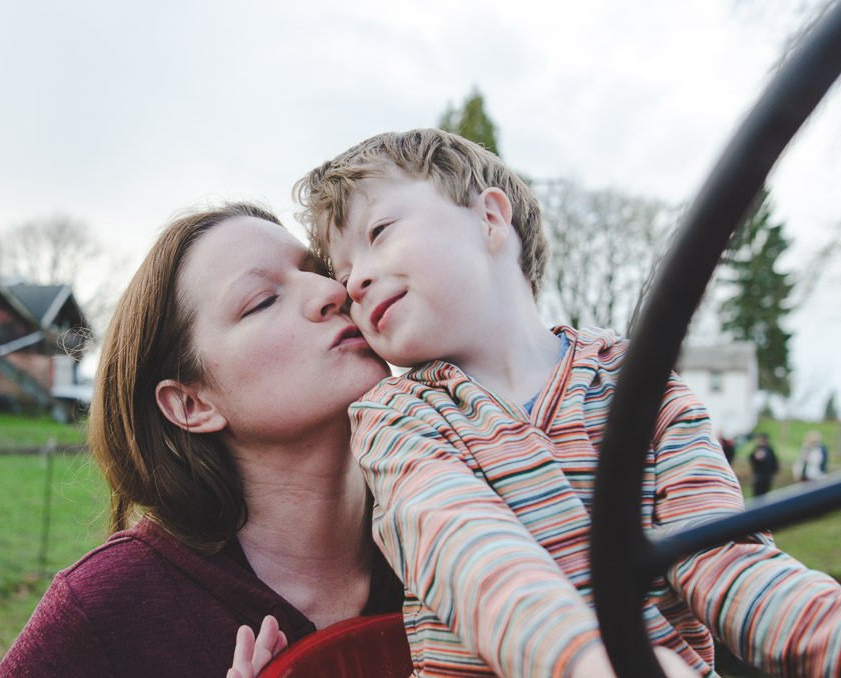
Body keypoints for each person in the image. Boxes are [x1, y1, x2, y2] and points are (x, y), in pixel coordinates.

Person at [294, 128, 841, 678]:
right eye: (343, 274)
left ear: (489, 219)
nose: (356, 282)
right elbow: (461, 546)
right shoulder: (395, 415)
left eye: (380, 231)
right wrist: (591, 664)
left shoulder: (638, 382)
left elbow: (724, 556)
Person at [0, 203, 403, 678]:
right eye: (262, 301)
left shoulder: (466, 530)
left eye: (318, 270)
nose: (333, 291)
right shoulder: (106, 609)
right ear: (192, 405)